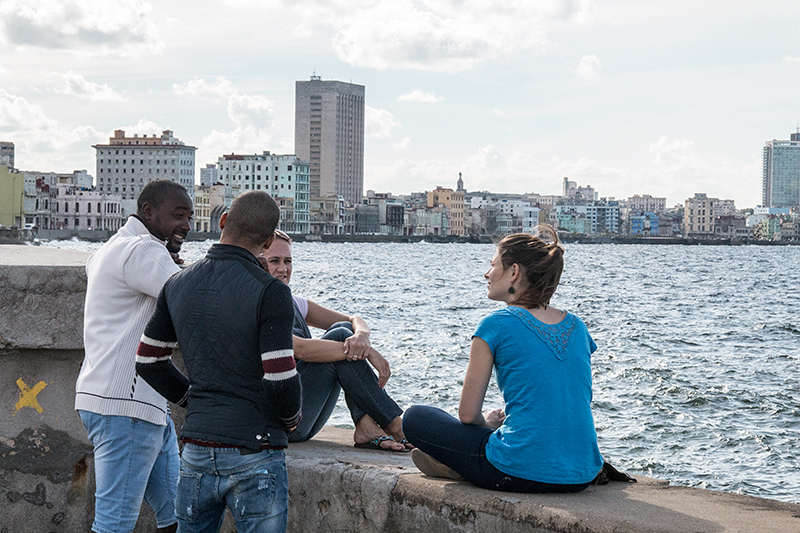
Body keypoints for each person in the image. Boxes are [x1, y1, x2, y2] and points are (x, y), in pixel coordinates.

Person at [135, 191, 302, 533]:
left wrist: (191, 399)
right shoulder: (271, 292)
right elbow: (280, 380)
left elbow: (149, 361)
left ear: (223, 221)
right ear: (269, 239)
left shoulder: (176, 284)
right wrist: (292, 417)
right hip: (256, 449)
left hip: (196, 449)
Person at [403, 226, 604, 493]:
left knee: (414, 417)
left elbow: (467, 414)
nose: (487, 273)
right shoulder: (578, 327)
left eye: (493, 265)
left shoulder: (495, 324)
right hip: (581, 474)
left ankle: (460, 467)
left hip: (516, 470)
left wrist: (486, 423)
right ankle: (461, 464)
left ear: (513, 272)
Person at [75, 179, 193, 533]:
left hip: (133, 405)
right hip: (127, 409)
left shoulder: (112, 248)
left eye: (188, 216)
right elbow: (195, 301)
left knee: (178, 514)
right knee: (114, 525)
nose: (186, 225)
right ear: (148, 212)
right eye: (178, 215)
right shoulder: (143, 250)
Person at [260, 230, 410, 452]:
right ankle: (395, 424)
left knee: (344, 330)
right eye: (275, 261)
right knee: (342, 336)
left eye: (288, 261)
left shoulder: (292, 301)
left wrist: (362, 337)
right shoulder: (259, 302)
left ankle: (365, 424)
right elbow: (299, 349)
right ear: (260, 263)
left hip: (304, 417)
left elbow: (353, 319)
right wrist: (367, 353)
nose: (283, 269)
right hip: (282, 423)